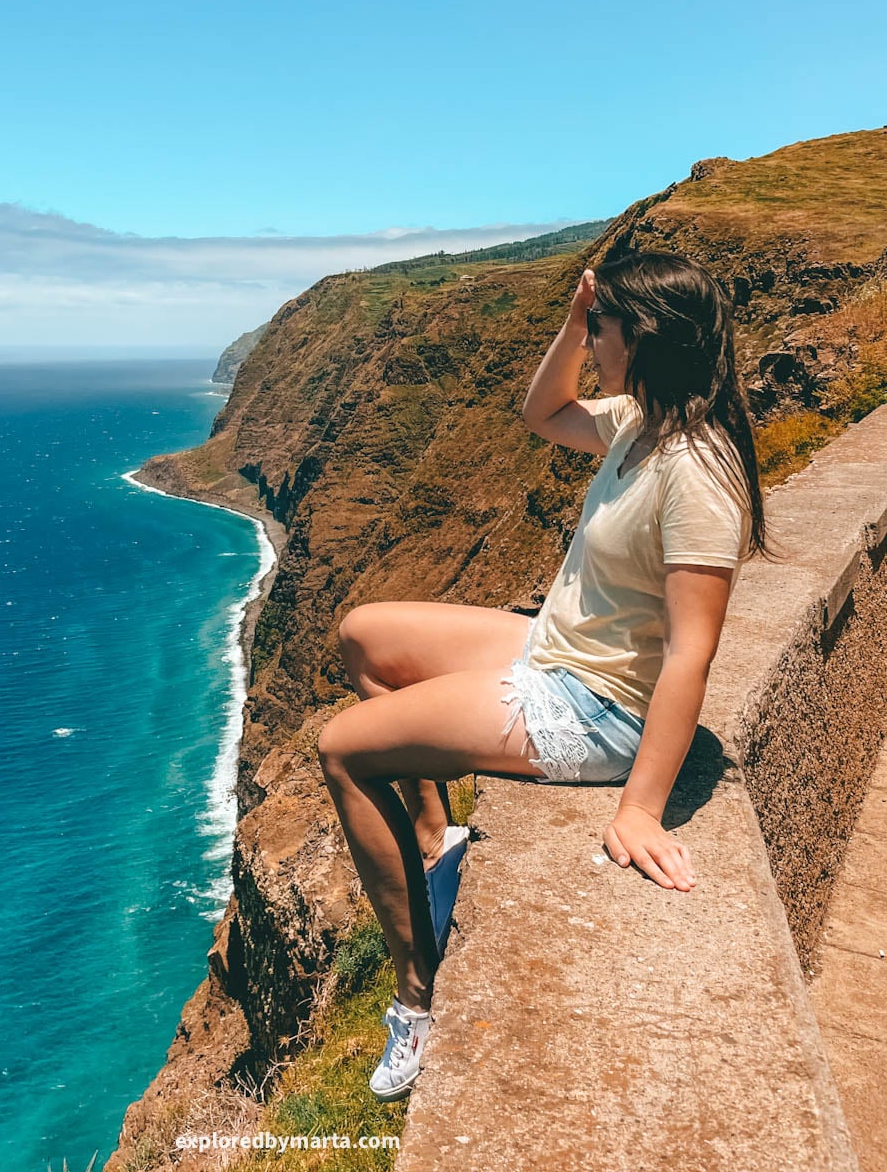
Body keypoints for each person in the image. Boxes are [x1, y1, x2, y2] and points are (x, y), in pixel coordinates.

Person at [316, 251, 767, 1102]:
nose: (591, 341)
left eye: (600, 327)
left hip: (593, 706)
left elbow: (691, 652)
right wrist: (570, 317)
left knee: (342, 749)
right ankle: (434, 837)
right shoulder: (641, 421)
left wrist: (640, 806)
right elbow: (543, 411)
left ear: (643, 336)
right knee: (363, 637)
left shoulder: (699, 470)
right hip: (553, 649)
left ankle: (416, 999)